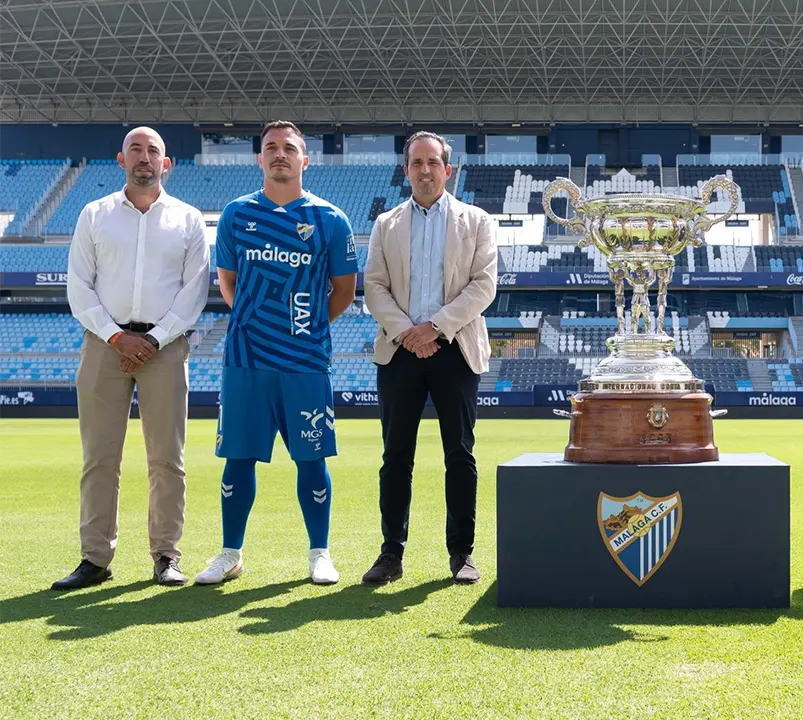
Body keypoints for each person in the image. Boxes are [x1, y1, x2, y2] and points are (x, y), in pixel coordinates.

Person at [195, 121, 358, 586]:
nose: (280, 154)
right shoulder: (235, 214)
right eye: (271, 148)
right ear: (260, 159)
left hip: (305, 360)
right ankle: (230, 553)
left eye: (290, 148)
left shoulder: (330, 219)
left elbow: (344, 291)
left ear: (305, 160)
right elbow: (227, 282)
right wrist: (258, 321)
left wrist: (302, 328)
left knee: (312, 458)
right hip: (246, 358)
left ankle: (320, 553)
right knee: (238, 457)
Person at [55, 127, 210, 590]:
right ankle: (95, 558)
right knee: (99, 457)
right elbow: (78, 284)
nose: (145, 157)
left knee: (167, 459)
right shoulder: (94, 214)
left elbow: (194, 291)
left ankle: (166, 555)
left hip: (165, 348)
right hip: (104, 346)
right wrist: (117, 337)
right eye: (136, 150)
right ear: (121, 160)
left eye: (154, 151)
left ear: (168, 164)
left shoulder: (187, 219)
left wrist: (154, 339)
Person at [359, 131, 497, 586]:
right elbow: (374, 286)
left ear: (447, 169)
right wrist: (408, 333)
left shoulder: (476, 221)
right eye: (416, 163)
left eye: (432, 163)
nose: (424, 170)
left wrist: (434, 328)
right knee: (396, 456)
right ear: (406, 170)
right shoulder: (386, 223)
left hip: (455, 348)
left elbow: (483, 286)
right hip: (400, 351)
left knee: (459, 454)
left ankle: (462, 554)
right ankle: (390, 554)